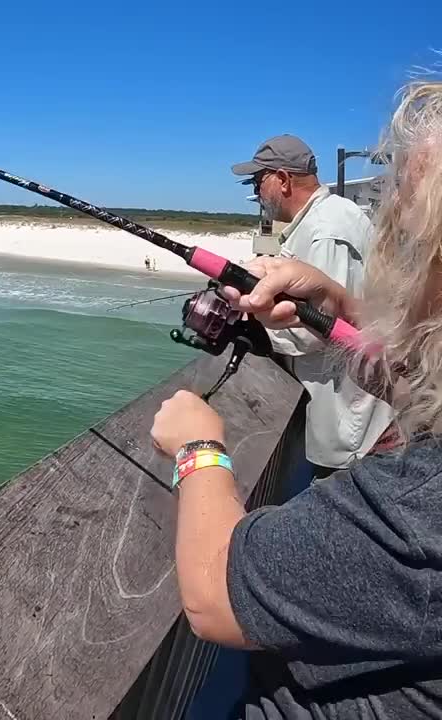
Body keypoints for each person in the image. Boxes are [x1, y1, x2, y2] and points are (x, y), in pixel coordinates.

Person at [150, 81, 442, 719]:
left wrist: (200, 448)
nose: (390, 242)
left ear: (281, 179)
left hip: (350, 431)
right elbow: (402, 356)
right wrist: (332, 305)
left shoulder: (418, 506)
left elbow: (213, 596)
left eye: (410, 236)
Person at [232, 134, 394, 479]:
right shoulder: (326, 219)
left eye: (258, 181)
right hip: (340, 414)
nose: (256, 191)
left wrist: (254, 328)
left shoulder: (326, 230)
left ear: (283, 180)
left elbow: (320, 329)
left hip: (347, 424)